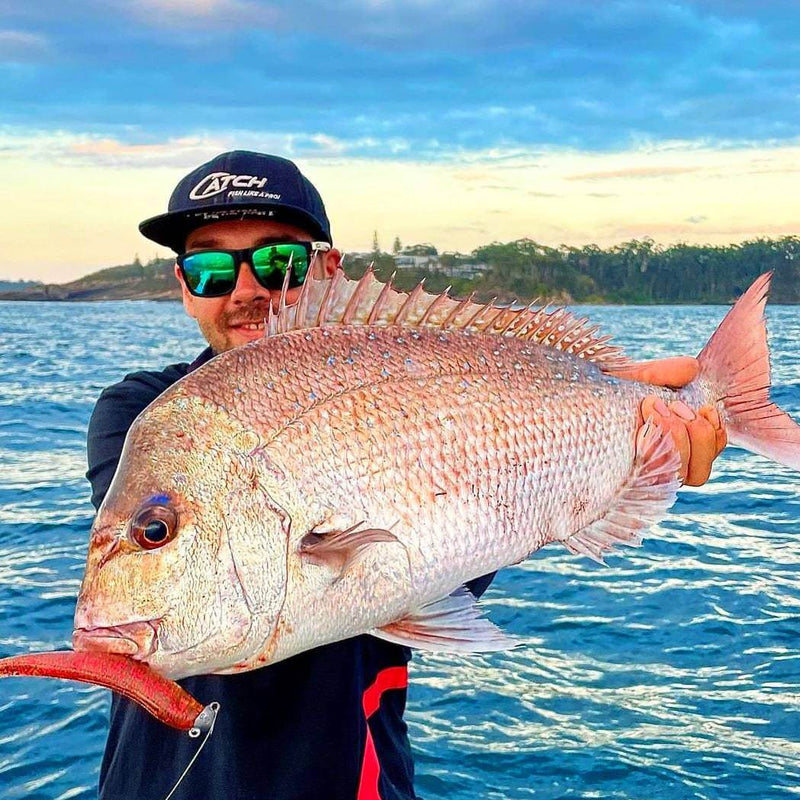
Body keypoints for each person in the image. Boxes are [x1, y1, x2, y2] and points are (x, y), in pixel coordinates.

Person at [85, 150, 726, 800]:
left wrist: (639, 453)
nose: (247, 289)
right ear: (184, 284)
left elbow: (459, 542)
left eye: (280, 262)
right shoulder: (145, 416)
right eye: (211, 265)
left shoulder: (433, 380)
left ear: (329, 270)